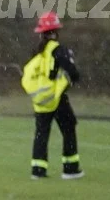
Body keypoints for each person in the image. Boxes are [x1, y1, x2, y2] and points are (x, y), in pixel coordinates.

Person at [22, 11, 83, 180]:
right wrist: (67, 79)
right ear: (56, 31)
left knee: (41, 133)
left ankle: (38, 170)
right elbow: (74, 73)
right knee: (68, 128)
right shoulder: (58, 50)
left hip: (40, 100)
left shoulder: (37, 52)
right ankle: (70, 169)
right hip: (57, 97)